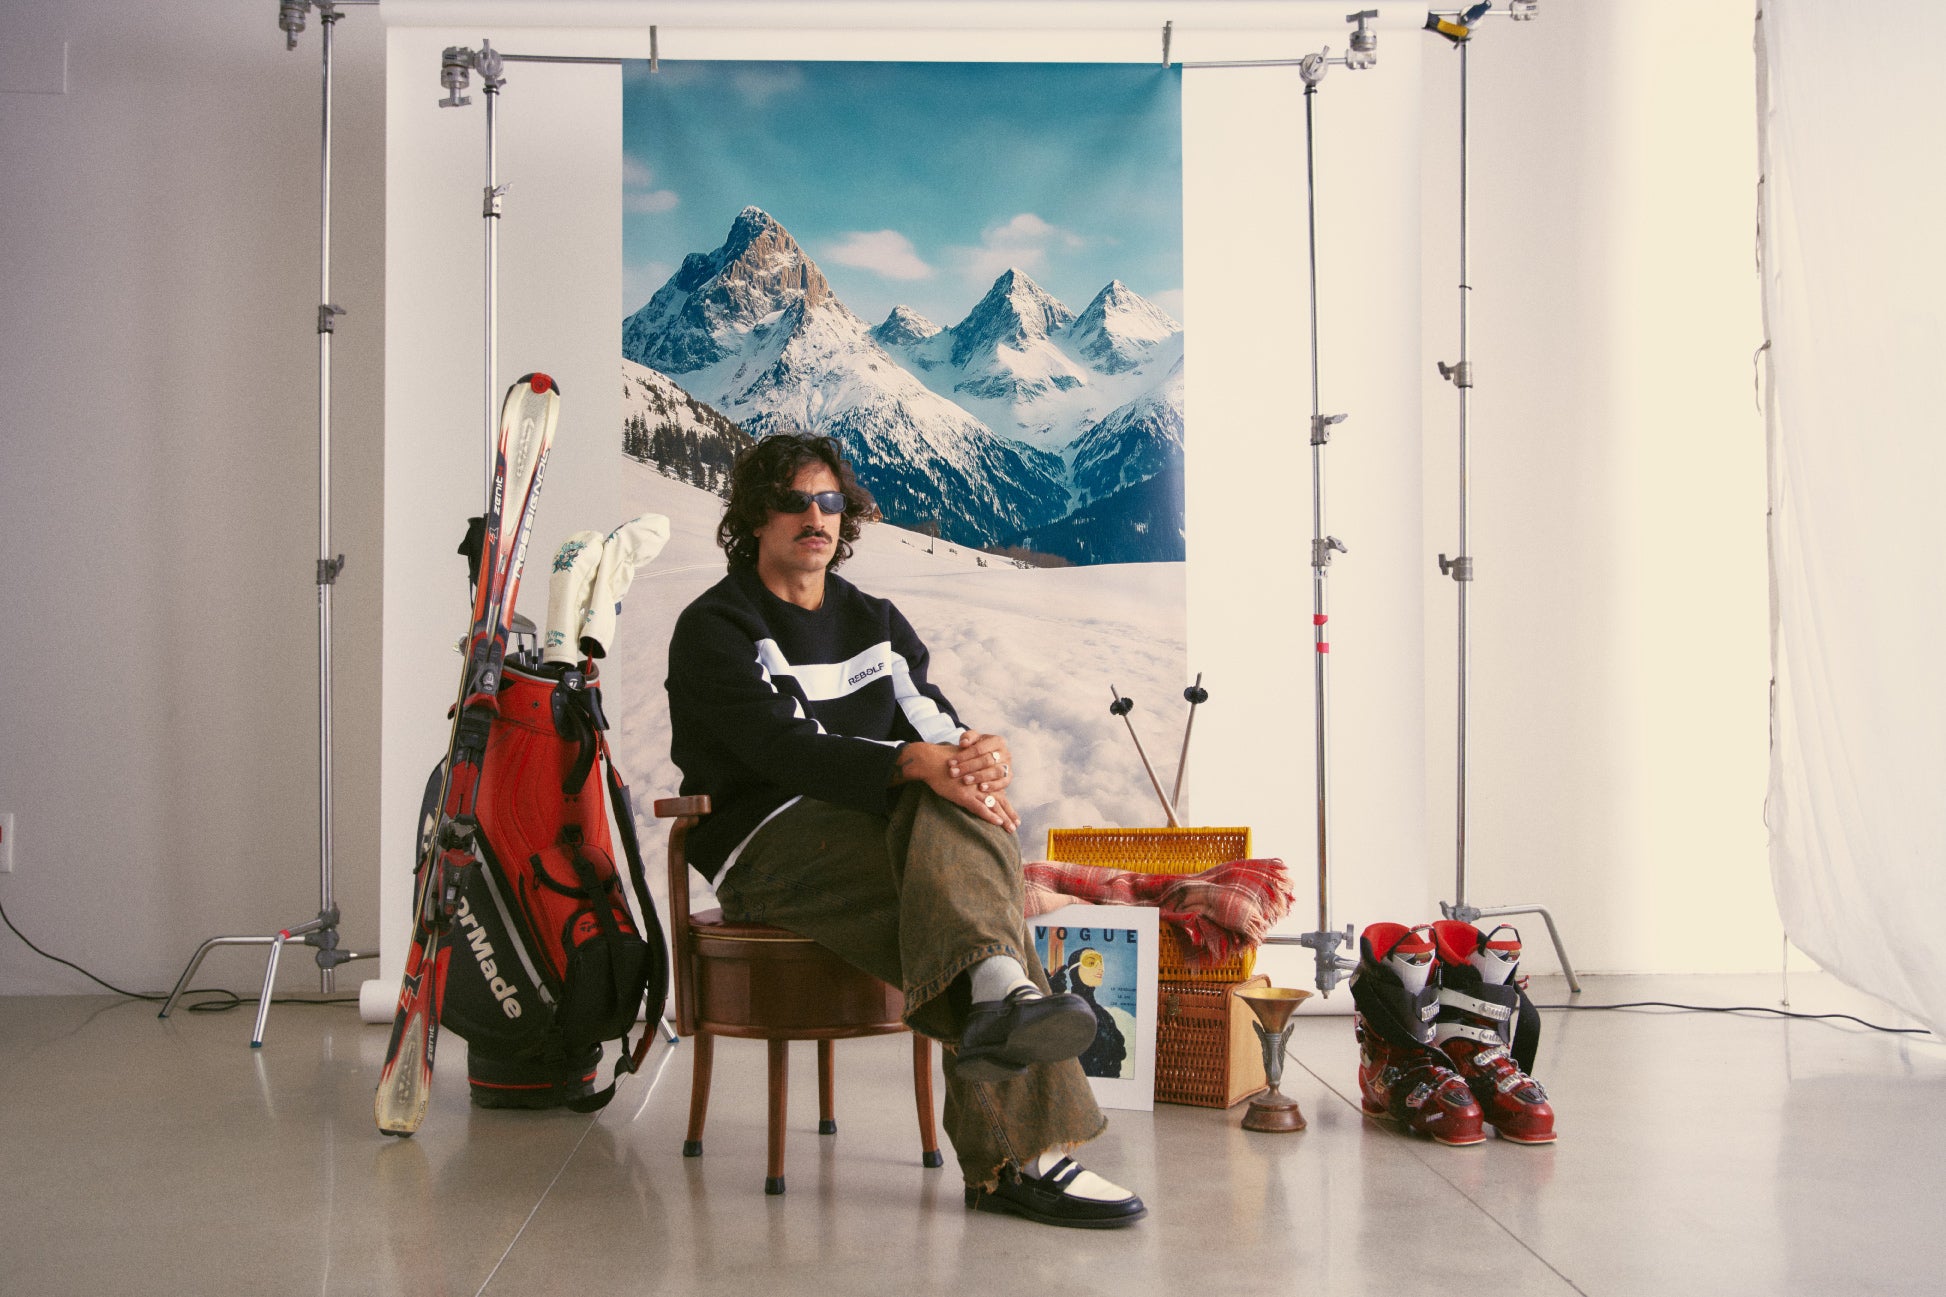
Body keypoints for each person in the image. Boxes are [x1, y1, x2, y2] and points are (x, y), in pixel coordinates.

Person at [665, 433, 1147, 1229]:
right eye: (792, 501)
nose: (815, 517)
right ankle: (1022, 1147)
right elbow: (785, 749)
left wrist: (977, 755)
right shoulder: (716, 625)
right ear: (754, 517)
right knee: (944, 830)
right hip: (766, 844)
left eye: (829, 501)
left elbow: (930, 721)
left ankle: (1001, 1000)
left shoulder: (873, 620)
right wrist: (918, 765)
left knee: (952, 831)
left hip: (876, 827)